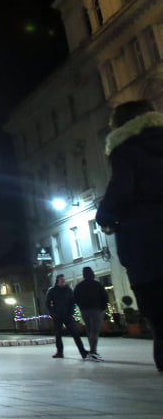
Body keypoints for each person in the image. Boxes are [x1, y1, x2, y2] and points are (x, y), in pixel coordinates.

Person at [95, 99, 163, 371]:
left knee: (158, 310)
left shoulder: (127, 148)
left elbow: (122, 189)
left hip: (147, 243)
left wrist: (105, 217)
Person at [46, 274, 87, 359]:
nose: (63, 281)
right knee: (58, 334)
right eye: (61, 279)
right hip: (57, 315)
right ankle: (59, 352)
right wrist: (53, 313)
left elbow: (73, 301)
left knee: (75, 333)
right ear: (57, 281)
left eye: (63, 279)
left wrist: (71, 311)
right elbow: (48, 303)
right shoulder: (53, 290)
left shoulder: (68, 290)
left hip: (67, 315)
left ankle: (82, 352)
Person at [73, 266, 108, 361]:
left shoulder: (79, 286)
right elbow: (105, 297)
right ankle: (93, 351)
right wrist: (102, 308)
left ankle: (92, 350)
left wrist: (81, 306)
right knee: (95, 331)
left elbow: (75, 298)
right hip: (96, 309)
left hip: (85, 310)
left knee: (89, 330)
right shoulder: (97, 284)